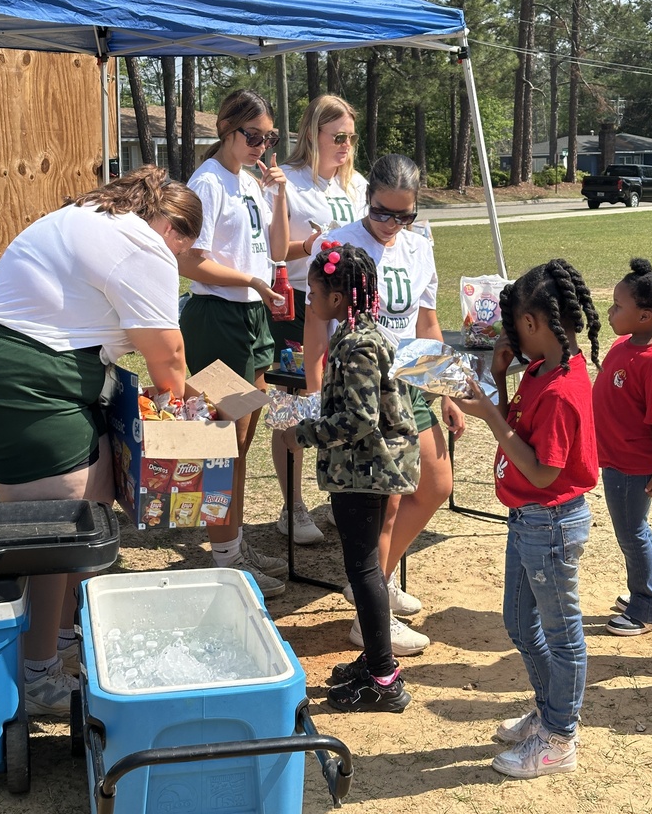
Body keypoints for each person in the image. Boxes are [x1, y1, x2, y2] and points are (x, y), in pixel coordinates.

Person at [0, 165, 202, 718]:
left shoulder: (91, 217)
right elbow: (168, 356)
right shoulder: (142, 243)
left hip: (34, 372)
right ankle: (36, 673)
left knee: (96, 490)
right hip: (25, 384)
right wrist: (187, 417)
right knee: (56, 528)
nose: (179, 260)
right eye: (183, 246)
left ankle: (67, 632)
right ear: (169, 226)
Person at [304, 153, 465, 656]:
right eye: (381, 212)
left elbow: (427, 324)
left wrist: (446, 391)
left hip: (409, 381)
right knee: (388, 503)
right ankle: (369, 615)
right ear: (366, 198)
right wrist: (315, 393)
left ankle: (376, 581)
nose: (392, 224)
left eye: (404, 215)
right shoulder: (339, 243)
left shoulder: (419, 247)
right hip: (362, 386)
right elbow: (315, 325)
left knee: (435, 485)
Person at [456, 259, 600, 779]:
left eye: (515, 324)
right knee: (520, 622)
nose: (512, 335)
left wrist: (490, 417)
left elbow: (542, 472)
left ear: (534, 323)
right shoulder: (540, 370)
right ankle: (548, 711)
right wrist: (497, 377)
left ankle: (560, 738)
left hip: (551, 522)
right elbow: (518, 426)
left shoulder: (562, 389)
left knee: (562, 636)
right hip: (527, 519)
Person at [282, 244, 419, 711]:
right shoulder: (361, 335)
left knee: (363, 570)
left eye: (313, 291)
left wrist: (303, 433)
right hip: (367, 469)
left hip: (364, 472)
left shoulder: (357, 346)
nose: (309, 300)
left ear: (337, 297)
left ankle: (383, 679)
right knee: (365, 569)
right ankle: (377, 661)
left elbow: (359, 419)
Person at [178, 88, 290, 599]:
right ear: (227, 129)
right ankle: (228, 559)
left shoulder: (247, 180)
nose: (262, 146)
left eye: (269, 138)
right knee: (221, 445)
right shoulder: (207, 182)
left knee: (240, 444)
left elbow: (277, 248)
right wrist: (252, 282)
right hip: (219, 319)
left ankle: (233, 546)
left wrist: (279, 196)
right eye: (253, 136)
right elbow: (190, 260)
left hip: (250, 317)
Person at [266, 94, 367, 546]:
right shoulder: (287, 181)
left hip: (348, 313)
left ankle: (341, 497)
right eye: (338, 137)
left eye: (351, 138)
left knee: (343, 407)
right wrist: (308, 247)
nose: (346, 146)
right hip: (298, 308)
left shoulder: (357, 185)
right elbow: (272, 249)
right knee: (293, 409)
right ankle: (292, 506)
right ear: (313, 134)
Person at [593, 258, 652, 636]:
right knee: (637, 529)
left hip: (632, 466)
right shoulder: (623, 344)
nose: (610, 312)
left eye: (617, 306)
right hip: (615, 458)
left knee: (631, 534)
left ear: (645, 316)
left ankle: (648, 607)